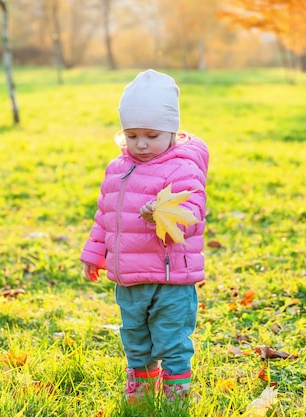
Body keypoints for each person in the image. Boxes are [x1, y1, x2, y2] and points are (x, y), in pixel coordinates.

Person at [80, 69, 208, 403]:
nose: (141, 144)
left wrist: (162, 213)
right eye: (132, 134)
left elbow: (193, 216)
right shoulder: (117, 169)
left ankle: (176, 392)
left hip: (171, 278)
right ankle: (140, 387)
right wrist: (94, 254)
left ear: (172, 131)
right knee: (135, 336)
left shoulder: (182, 168)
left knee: (172, 338)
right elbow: (106, 215)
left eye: (151, 135)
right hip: (129, 278)